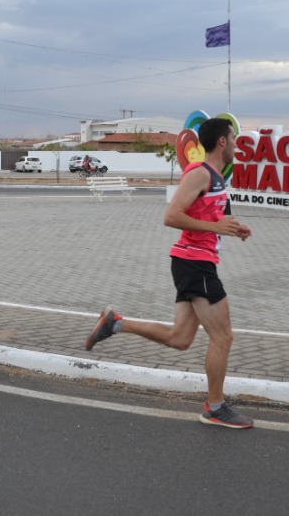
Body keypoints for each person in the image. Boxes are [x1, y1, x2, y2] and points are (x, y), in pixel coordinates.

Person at [85, 118, 254, 429]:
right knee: (223, 336)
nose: (235, 144)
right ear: (221, 142)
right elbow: (171, 216)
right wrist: (215, 227)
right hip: (195, 263)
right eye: (233, 138)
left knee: (181, 338)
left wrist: (233, 228)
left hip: (195, 262)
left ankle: (117, 324)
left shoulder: (216, 176)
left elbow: (212, 216)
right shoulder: (199, 172)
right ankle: (215, 407)